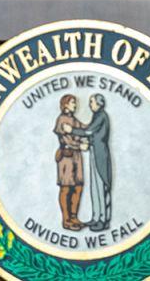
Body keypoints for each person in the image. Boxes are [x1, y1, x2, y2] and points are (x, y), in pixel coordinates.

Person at [65, 93, 111, 231]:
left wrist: (72, 130)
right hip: (93, 152)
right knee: (94, 187)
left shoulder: (102, 116)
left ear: (98, 103)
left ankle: (103, 220)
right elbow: (95, 135)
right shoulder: (96, 116)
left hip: (100, 155)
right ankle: (96, 217)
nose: (90, 105)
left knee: (101, 187)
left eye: (91, 102)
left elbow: (89, 131)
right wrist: (88, 141)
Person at [53, 94, 86, 231]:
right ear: (65, 104)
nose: (75, 105)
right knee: (66, 188)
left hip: (77, 158)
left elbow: (84, 128)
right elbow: (67, 140)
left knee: (78, 187)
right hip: (66, 157)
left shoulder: (74, 120)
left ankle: (74, 217)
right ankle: (66, 220)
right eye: (73, 103)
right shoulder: (62, 120)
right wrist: (80, 146)